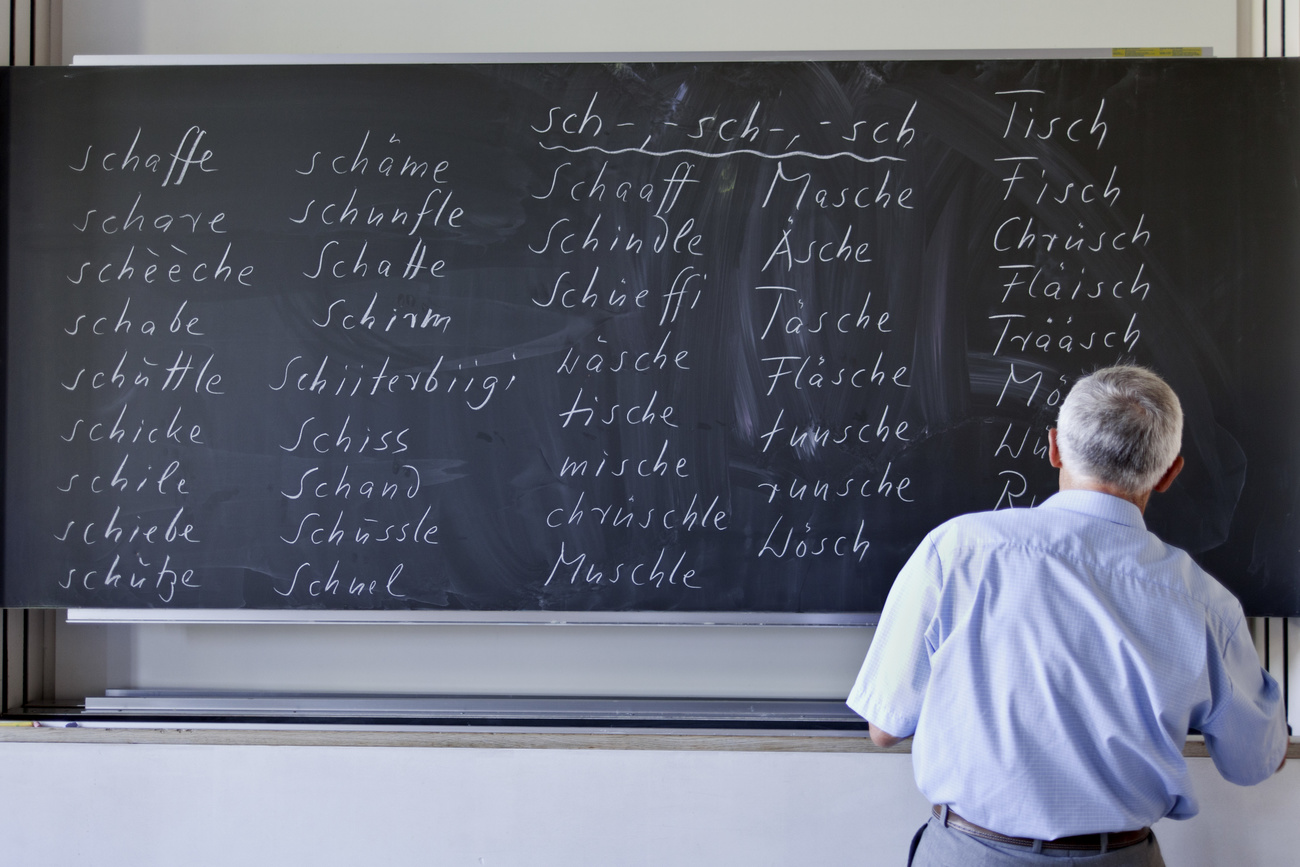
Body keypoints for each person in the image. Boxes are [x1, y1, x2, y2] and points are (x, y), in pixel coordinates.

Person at [847, 365, 1288, 866]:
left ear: (1054, 447)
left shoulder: (957, 552)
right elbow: (1255, 762)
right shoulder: (1207, 605)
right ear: (1169, 474)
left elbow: (885, 728)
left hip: (967, 854)